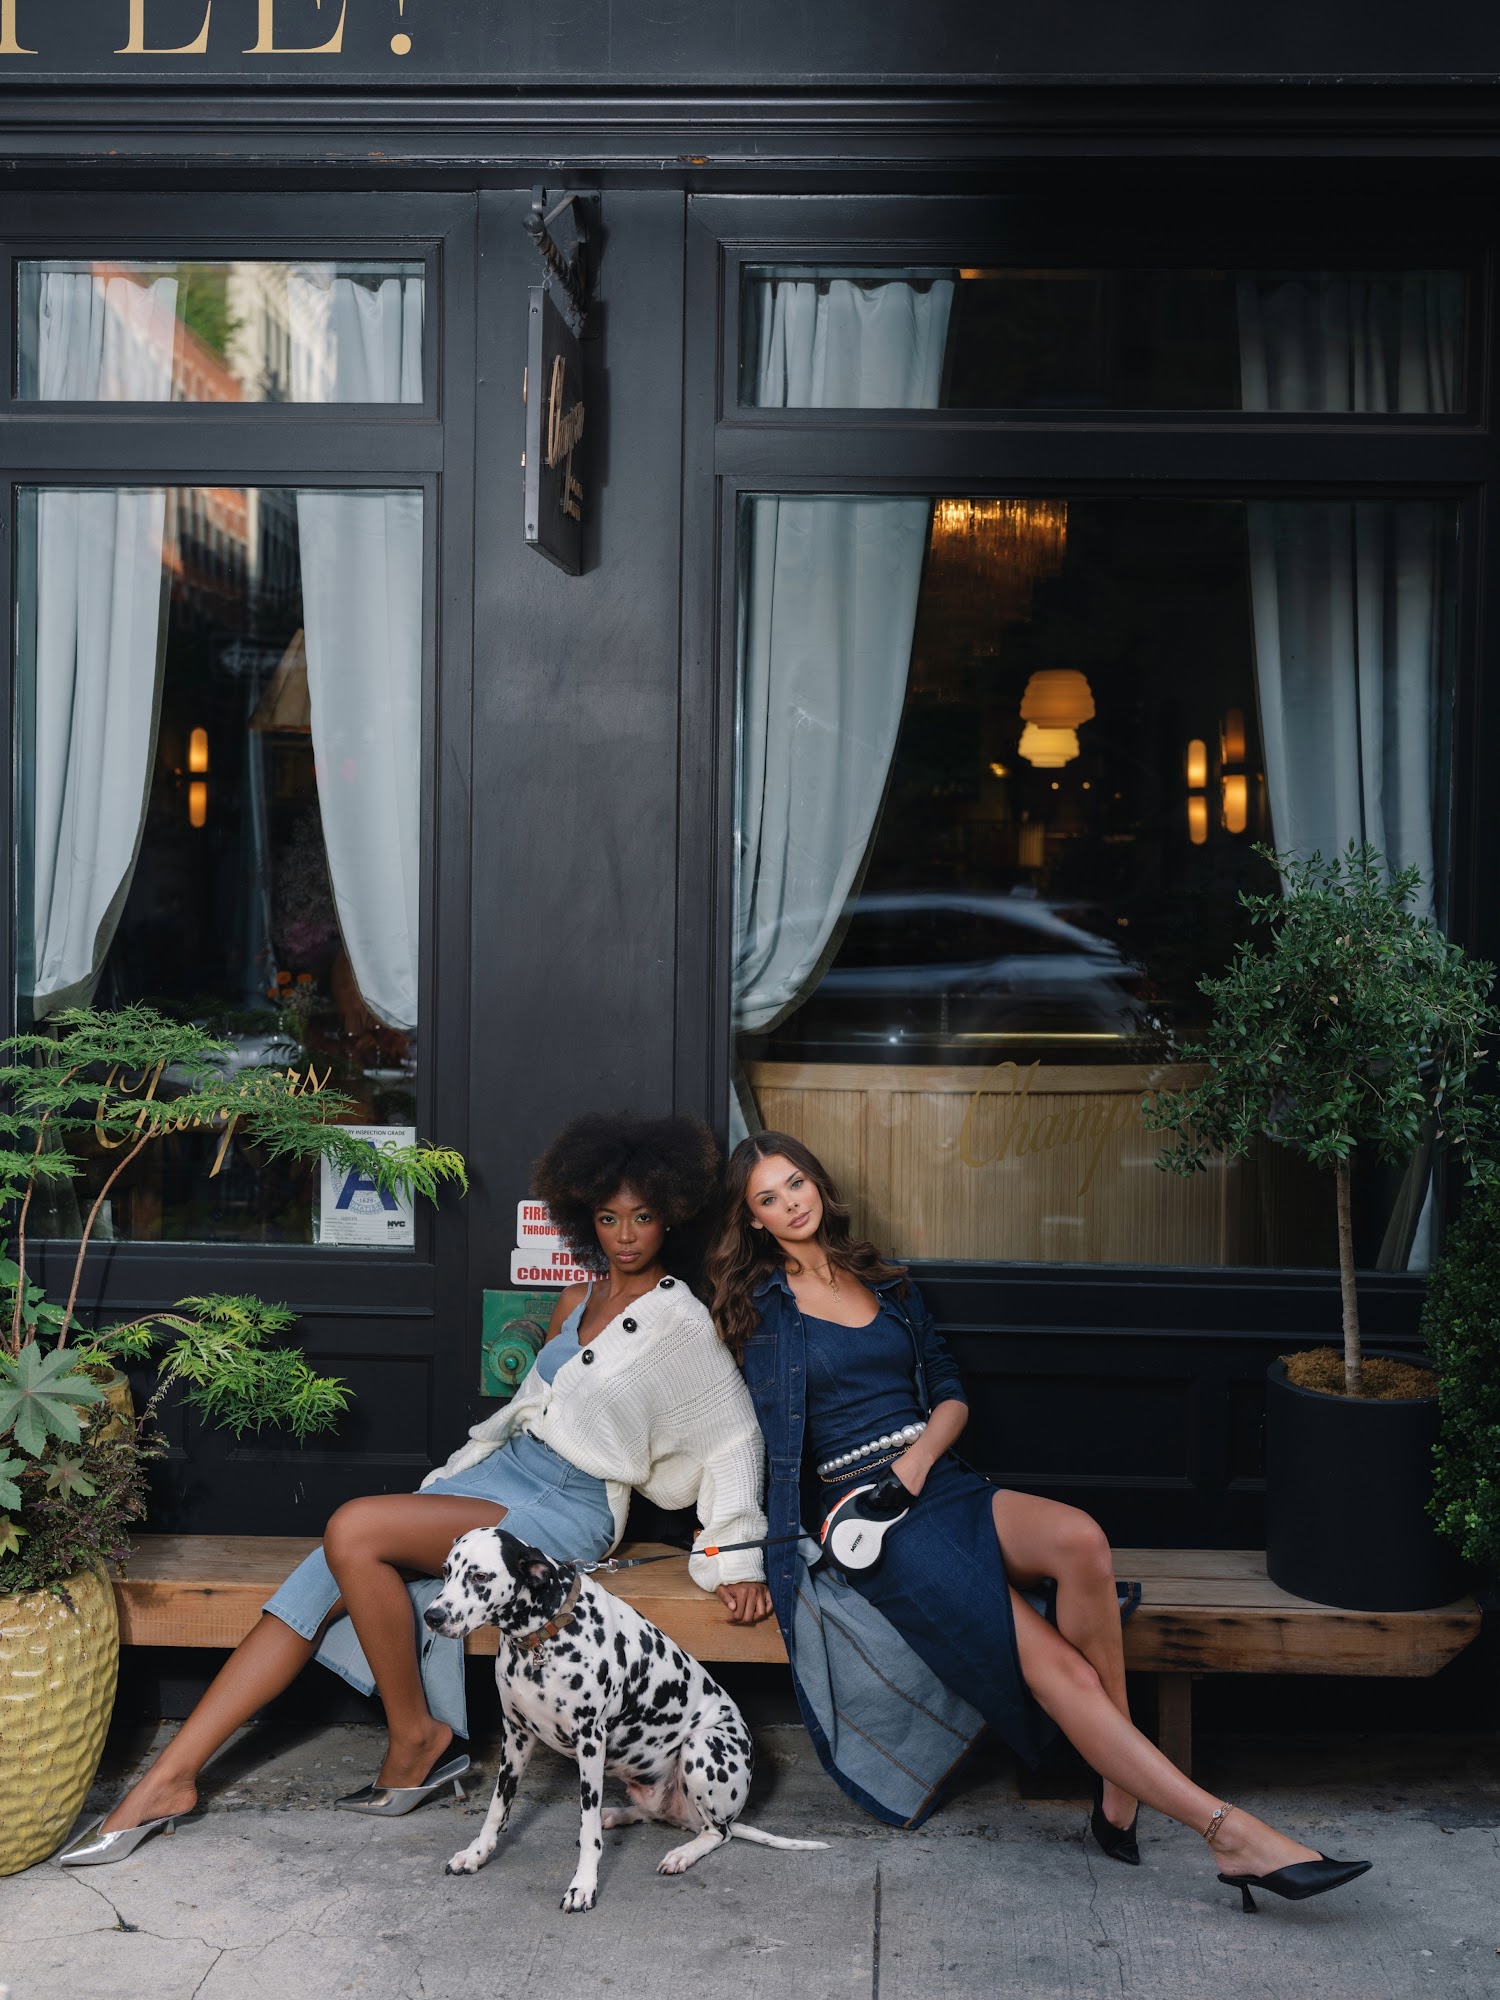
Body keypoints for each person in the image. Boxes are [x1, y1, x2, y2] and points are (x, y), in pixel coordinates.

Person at [61, 1112, 771, 1867]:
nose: (625, 1235)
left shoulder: (679, 1322)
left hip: (569, 1505)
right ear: (584, 1217)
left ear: (670, 1216)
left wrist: (736, 1557)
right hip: (503, 1474)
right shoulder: (575, 1299)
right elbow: (535, 1410)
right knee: (322, 1574)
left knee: (353, 1530)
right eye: (608, 1217)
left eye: (643, 1217)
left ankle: (418, 1740)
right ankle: (169, 1781)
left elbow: (735, 1436)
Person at [705, 1130, 1370, 1911]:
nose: (791, 1203)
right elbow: (737, 1439)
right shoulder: (764, 1311)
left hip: (937, 1481)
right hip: (871, 1519)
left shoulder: (884, 1280)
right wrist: (737, 1555)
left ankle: (1118, 1786)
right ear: (753, 1220)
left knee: (1080, 1537)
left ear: (816, 1181)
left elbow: (949, 1391)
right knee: (1064, 1672)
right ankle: (1228, 1833)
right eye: (769, 1198)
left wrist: (919, 1460)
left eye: (795, 1183)